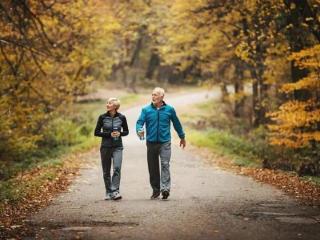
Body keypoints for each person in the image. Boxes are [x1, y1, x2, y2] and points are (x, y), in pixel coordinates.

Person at [136, 87, 186, 200]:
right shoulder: (146, 110)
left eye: (156, 95)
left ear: (162, 97)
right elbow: (139, 123)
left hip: (165, 142)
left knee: (165, 164)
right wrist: (139, 130)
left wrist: (182, 137)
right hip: (151, 142)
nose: (153, 96)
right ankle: (155, 190)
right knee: (153, 168)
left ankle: (165, 189)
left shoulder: (169, 109)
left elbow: (176, 124)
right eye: (152, 94)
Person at [94, 97, 129, 200]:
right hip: (105, 147)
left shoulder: (122, 117)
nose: (107, 105)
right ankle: (108, 192)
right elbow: (96, 132)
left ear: (115, 106)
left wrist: (120, 133)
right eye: (107, 103)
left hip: (118, 147)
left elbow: (126, 131)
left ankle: (115, 191)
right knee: (106, 171)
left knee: (117, 168)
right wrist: (109, 134)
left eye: (109, 103)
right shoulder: (102, 117)